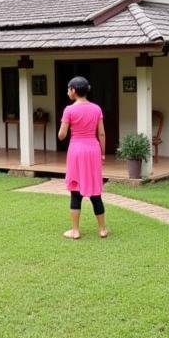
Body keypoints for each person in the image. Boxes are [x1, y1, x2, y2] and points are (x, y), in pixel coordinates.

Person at [58, 75, 107, 240]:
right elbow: (101, 133)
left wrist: (63, 129)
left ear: (73, 91)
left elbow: (62, 135)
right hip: (93, 149)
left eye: (68, 89)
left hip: (77, 150)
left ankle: (75, 230)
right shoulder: (97, 108)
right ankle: (102, 230)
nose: (67, 92)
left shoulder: (69, 110)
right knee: (95, 191)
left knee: (75, 190)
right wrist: (103, 153)